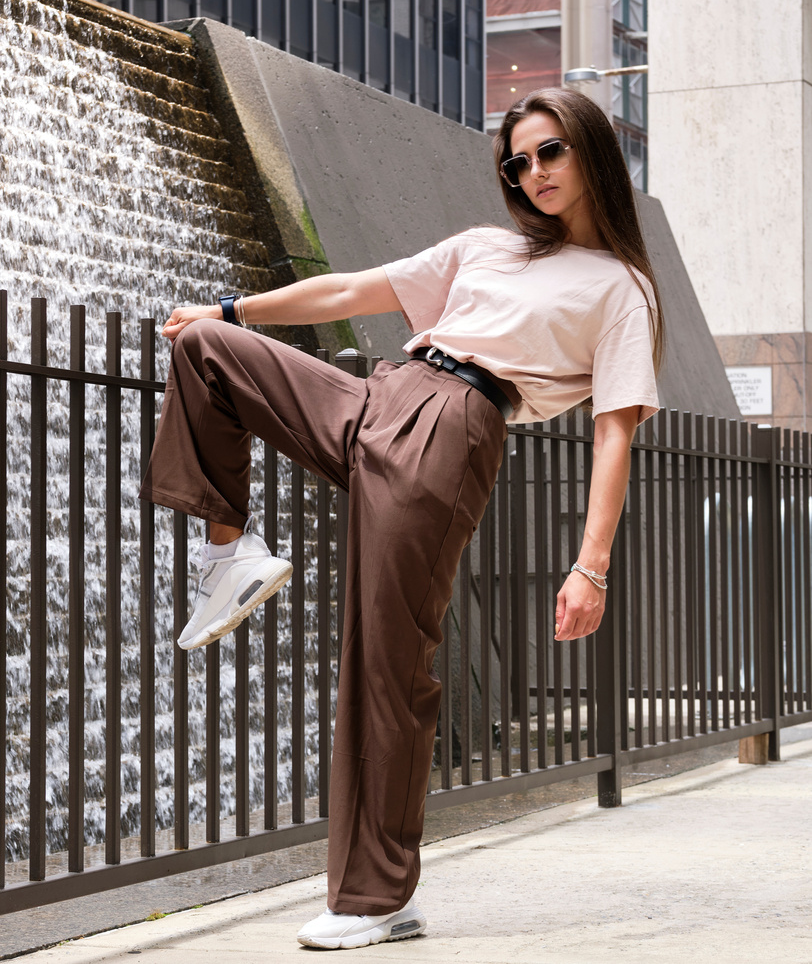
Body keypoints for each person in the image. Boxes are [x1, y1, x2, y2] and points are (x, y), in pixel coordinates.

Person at [139, 86, 663, 950]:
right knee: (206, 352)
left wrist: (590, 563)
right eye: (518, 161)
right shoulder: (489, 246)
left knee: (386, 663)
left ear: (592, 151)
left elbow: (615, 436)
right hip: (380, 392)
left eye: (550, 152)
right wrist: (229, 311)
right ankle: (228, 557)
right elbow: (351, 287)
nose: (532, 173)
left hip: (456, 428)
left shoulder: (620, 290)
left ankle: (377, 898)